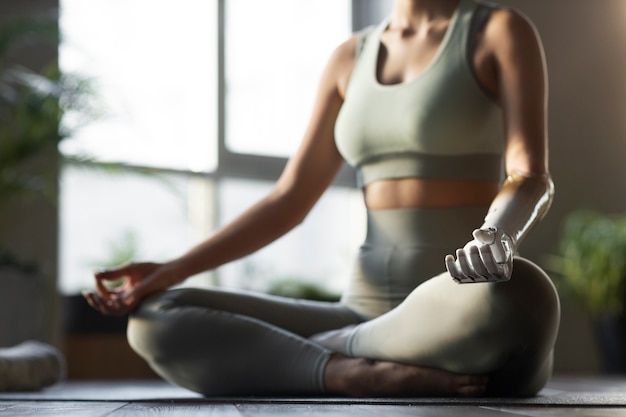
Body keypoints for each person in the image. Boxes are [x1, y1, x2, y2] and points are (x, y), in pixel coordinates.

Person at [84, 0, 560, 397]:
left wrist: (497, 235)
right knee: (153, 317)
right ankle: (347, 371)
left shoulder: (497, 30)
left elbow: (529, 174)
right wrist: (172, 269)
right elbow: (290, 199)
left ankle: (334, 348)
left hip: (456, 302)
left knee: (526, 296)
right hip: (360, 307)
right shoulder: (349, 58)